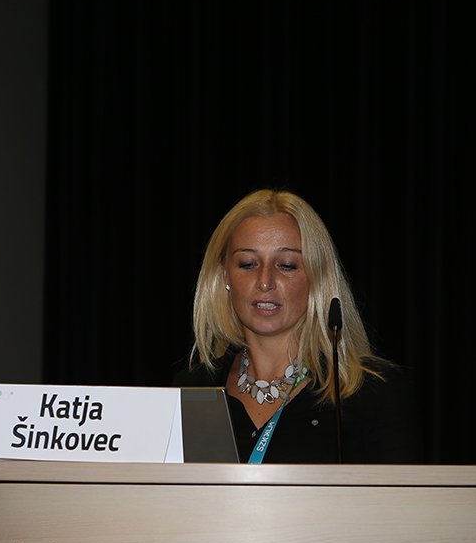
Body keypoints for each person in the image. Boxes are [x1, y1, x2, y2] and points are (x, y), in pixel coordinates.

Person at [173, 189, 422, 463]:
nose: (265, 281)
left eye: (287, 265)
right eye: (248, 263)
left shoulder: (373, 392)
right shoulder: (192, 389)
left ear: (316, 276)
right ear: (224, 273)